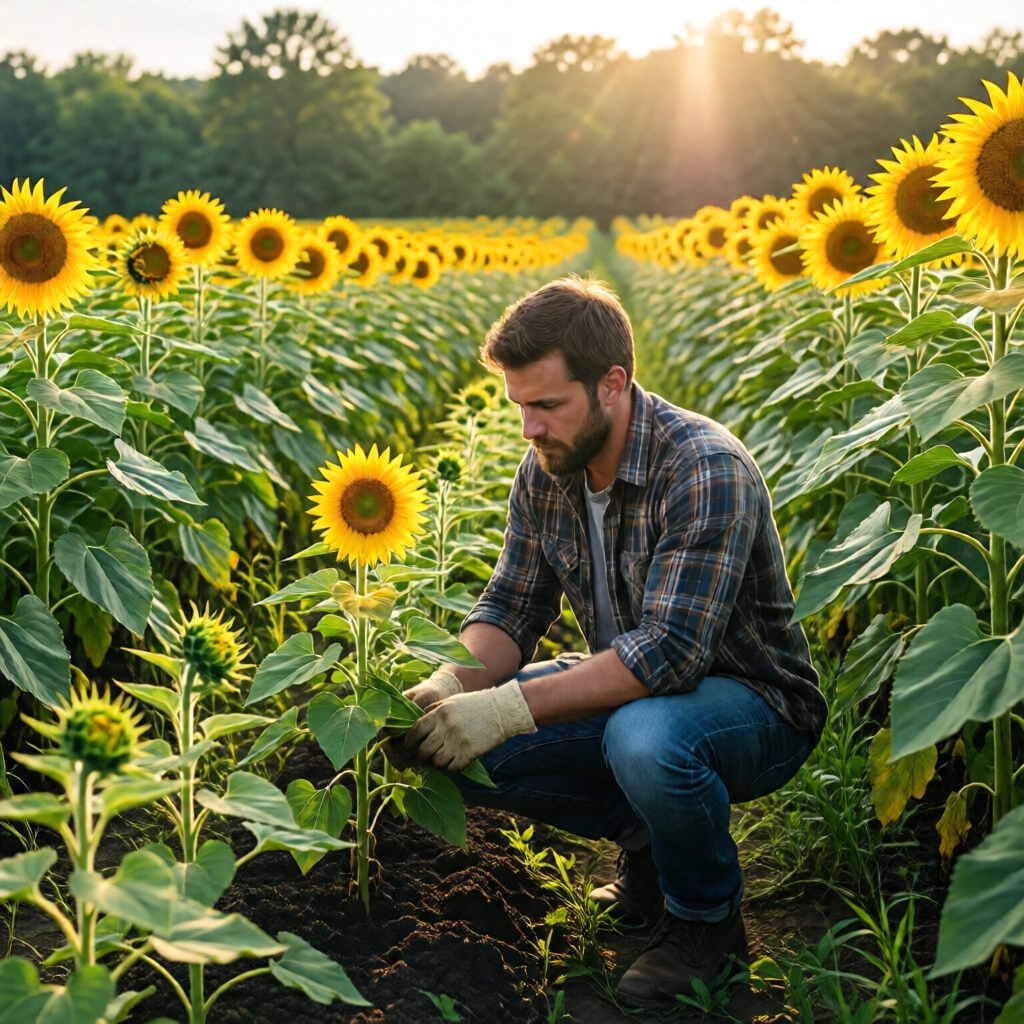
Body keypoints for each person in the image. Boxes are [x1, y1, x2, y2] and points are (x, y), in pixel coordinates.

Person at [392, 274, 826, 1007]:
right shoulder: (547, 472)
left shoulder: (702, 468)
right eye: (520, 406)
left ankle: (708, 926)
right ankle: (652, 850)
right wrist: (449, 687)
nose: (530, 428)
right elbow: (512, 605)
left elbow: (669, 654)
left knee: (644, 739)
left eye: (547, 406)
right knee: (451, 752)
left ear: (613, 384)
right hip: (634, 693)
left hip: (755, 705)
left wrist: (505, 709)